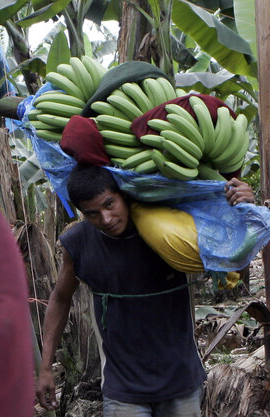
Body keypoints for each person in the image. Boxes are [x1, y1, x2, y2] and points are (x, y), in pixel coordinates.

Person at [35, 164, 255, 417]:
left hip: (180, 380)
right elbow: (60, 299)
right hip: (123, 387)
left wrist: (244, 207)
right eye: (93, 213)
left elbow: (233, 254)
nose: (106, 219)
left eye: (110, 204)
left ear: (123, 195)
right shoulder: (78, 243)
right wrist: (45, 367)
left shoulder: (167, 230)